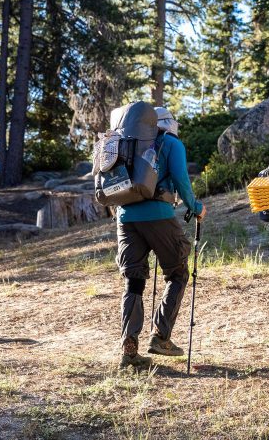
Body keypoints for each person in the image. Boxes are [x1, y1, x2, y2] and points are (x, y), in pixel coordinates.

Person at [116, 106, 206, 369]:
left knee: (133, 281)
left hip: (125, 217)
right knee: (178, 272)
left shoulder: (126, 143)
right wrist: (196, 208)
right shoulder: (170, 142)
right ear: (169, 124)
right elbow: (180, 179)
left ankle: (129, 349)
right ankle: (160, 337)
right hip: (158, 215)